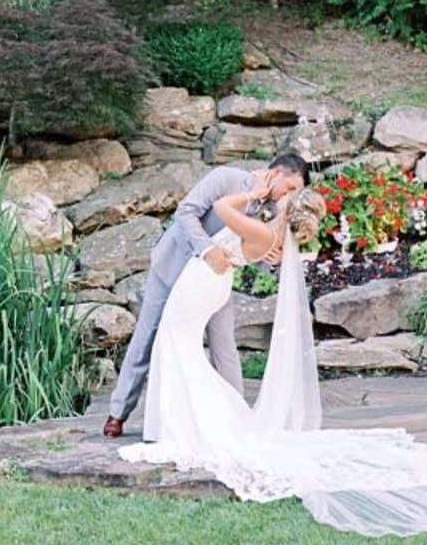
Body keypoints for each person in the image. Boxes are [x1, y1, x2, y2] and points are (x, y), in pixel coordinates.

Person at [116, 174, 427, 538]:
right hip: (209, 282)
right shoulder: (271, 236)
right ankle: (173, 421)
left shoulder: (264, 233)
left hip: (203, 281)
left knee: (176, 345)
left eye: (287, 194)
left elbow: (223, 207)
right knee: (179, 348)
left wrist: (251, 194)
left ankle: (184, 424)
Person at [103, 153, 310, 438]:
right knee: (147, 337)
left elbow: (253, 251)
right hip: (174, 267)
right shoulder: (226, 178)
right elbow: (186, 212)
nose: (287, 196)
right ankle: (118, 413)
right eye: (289, 188)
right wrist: (208, 250)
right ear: (275, 173)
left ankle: (236, 419)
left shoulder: (272, 211)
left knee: (224, 346)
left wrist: (270, 259)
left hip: (214, 282)